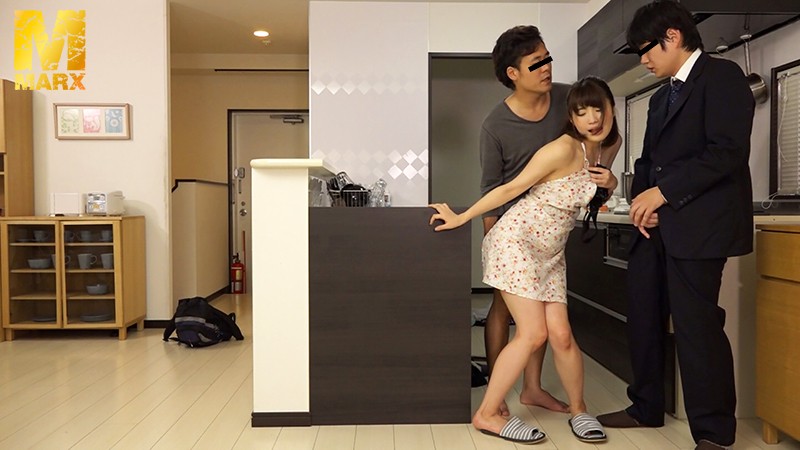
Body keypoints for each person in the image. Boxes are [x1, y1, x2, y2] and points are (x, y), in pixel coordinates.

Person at [596, 2, 755, 450]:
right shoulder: (660, 97)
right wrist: (642, 201)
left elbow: (726, 152)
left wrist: (663, 194)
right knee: (642, 315)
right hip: (656, 227)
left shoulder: (722, 77)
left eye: (646, 49)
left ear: (672, 36)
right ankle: (645, 406)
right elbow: (649, 160)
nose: (643, 60)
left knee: (697, 327)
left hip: (701, 227)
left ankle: (713, 433)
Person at [430, 76, 619, 444]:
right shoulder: (562, 149)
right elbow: (511, 187)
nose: (593, 119)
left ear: (611, 108)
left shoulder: (604, 146)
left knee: (561, 334)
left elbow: (593, 192)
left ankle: (579, 411)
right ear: (571, 118)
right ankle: (487, 414)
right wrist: (462, 217)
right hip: (516, 243)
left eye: (599, 109)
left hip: (550, 252)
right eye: (582, 112)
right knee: (533, 333)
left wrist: (610, 184)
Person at [479, 25, 618, 416]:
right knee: (507, 312)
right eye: (536, 63)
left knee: (542, 321)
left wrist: (600, 178)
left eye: (547, 58)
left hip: (550, 232)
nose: (547, 67)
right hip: (513, 228)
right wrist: (492, 244)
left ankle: (533, 389)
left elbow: (605, 132)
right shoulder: (496, 124)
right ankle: (496, 395)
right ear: (513, 74)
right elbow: (493, 188)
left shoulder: (567, 98)